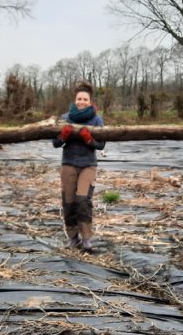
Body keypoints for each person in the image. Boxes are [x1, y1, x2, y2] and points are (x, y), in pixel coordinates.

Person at [52, 80, 106, 252]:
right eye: (79, 99)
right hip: (68, 163)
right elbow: (55, 143)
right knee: (69, 202)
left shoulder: (96, 120)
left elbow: (101, 145)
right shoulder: (65, 118)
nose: (82, 102)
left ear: (90, 102)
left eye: (85, 99)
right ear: (75, 100)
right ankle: (73, 238)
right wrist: (63, 136)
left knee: (83, 201)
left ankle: (86, 239)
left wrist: (89, 140)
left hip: (88, 165)